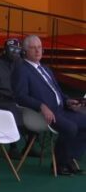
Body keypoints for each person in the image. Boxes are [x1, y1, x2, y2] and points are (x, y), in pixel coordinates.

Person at [12, 35, 86, 175]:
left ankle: (68, 159)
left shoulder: (46, 69)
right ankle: (59, 164)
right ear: (25, 51)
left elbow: (57, 91)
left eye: (39, 47)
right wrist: (41, 106)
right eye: (33, 48)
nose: (37, 51)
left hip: (61, 109)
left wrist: (68, 101)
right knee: (71, 128)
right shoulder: (22, 70)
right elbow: (20, 96)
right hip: (43, 114)